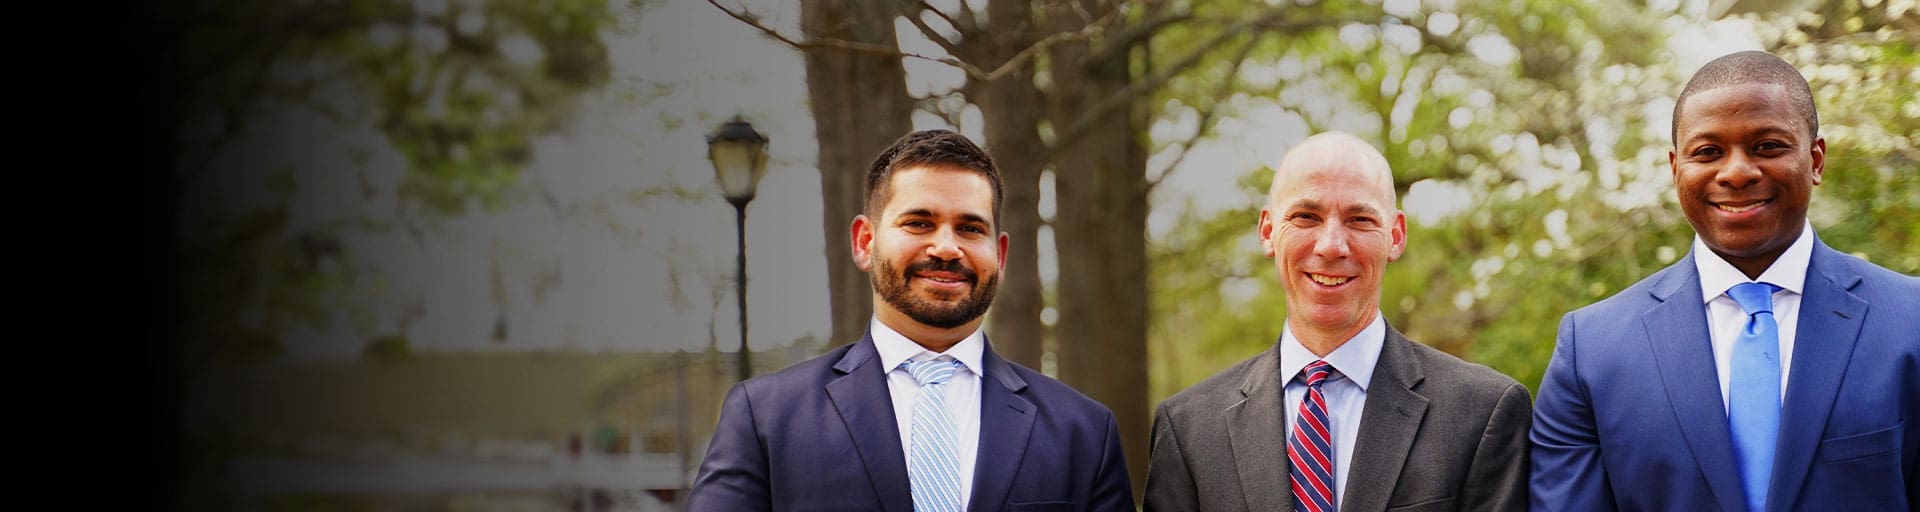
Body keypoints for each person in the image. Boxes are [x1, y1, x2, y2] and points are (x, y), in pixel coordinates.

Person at [1529, 50, 1920, 511]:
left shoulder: (1909, 320)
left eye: (1768, 146)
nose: (1736, 172)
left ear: (1815, 160)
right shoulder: (1590, 350)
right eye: (1708, 152)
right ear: (1676, 169)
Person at [687, 129, 1135, 511]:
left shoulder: (1084, 432)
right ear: (865, 242)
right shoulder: (766, 418)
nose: (946, 247)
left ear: (999, 255)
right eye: (919, 223)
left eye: (970, 228)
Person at [1144, 132, 1532, 512]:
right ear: (1268, 232)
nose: (1331, 245)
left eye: (1359, 219)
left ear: (1395, 237)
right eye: (1306, 216)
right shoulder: (1189, 429)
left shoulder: (1482, 414)